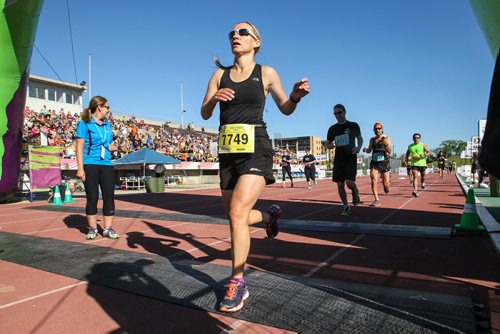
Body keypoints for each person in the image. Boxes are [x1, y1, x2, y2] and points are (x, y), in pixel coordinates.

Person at [200, 21, 310, 313]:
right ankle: (269, 218)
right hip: (227, 151)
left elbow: (285, 107)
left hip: (256, 148)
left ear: (256, 42)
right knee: (236, 216)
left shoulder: (267, 73)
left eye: (242, 32)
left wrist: (296, 98)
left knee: (236, 213)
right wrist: (214, 97)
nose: (235, 36)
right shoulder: (219, 75)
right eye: (231, 33)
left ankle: (238, 281)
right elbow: (204, 111)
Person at [76, 96, 121, 240]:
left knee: (109, 197)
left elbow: (107, 145)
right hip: (90, 164)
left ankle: (107, 229)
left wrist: (116, 147)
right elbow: (79, 147)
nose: (109, 110)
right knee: (93, 197)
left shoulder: (107, 126)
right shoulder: (85, 124)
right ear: (99, 107)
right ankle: (93, 228)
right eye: (107, 107)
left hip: (106, 164)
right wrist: (80, 168)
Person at [326, 104, 363, 216]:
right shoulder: (332, 129)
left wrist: (358, 147)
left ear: (344, 112)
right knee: (340, 185)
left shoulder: (353, 125)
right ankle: (346, 206)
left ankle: (355, 190)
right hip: (338, 159)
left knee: (349, 182)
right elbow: (327, 143)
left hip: (350, 157)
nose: (337, 115)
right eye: (335, 113)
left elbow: (360, 138)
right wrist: (329, 146)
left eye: (339, 112)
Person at [363, 123, 391, 206]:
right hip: (374, 162)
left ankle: (386, 186)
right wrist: (366, 150)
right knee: (373, 179)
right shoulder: (372, 139)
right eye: (375, 129)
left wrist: (386, 144)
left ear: (382, 129)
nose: (377, 130)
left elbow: (389, 151)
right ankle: (376, 199)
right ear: (373, 130)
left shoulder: (386, 138)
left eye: (379, 128)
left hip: (384, 162)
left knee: (386, 184)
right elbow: (369, 150)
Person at [405, 133, 431, 197]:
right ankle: (415, 191)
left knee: (423, 177)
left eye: (417, 138)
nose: (416, 139)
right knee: (415, 177)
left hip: (422, 163)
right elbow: (407, 153)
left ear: (420, 139)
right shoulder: (410, 146)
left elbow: (429, 152)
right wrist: (407, 159)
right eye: (415, 138)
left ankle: (423, 182)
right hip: (414, 164)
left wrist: (424, 155)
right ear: (413, 139)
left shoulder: (423, 145)